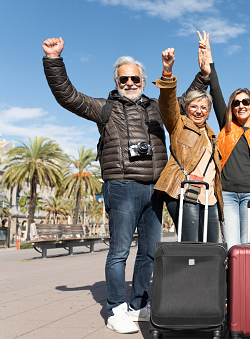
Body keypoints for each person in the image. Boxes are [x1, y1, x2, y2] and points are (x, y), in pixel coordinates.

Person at [42, 37, 210, 334]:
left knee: (148, 252)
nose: (130, 82)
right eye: (124, 78)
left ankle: (138, 305)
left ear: (144, 80)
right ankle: (116, 309)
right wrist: (54, 60)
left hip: (154, 188)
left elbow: (185, 101)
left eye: (135, 78)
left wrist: (203, 74)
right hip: (122, 187)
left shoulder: (157, 107)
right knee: (119, 251)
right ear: (117, 81)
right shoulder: (104, 108)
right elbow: (67, 96)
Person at [197, 31, 250, 249]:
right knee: (232, 246)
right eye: (236, 103)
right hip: (227, 193)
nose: (241, 106)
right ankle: (231, 284)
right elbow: (216, 91)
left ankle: (245, 284)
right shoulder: (226, 127)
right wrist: (209, 61)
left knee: (248, 245)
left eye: (245, 101)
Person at [154, 47, 222, 243]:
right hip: (183, 192)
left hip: (209, 198)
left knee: (210, 246)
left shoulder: (211, 135)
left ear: (209, 112)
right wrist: (167, 72)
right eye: (193, 106)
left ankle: (207, 275)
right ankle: (188, 275)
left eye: (203, 108)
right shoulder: (178, 124)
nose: (198, 111)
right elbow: (167, 104)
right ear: (186, 108)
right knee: (191, 246)